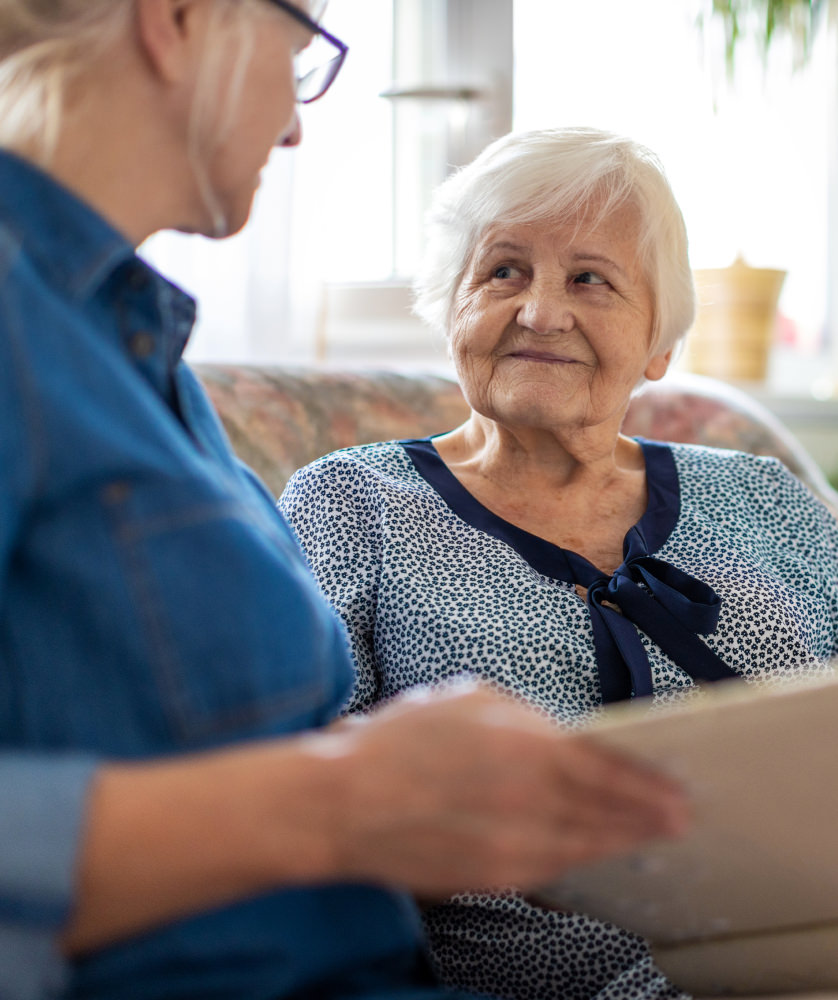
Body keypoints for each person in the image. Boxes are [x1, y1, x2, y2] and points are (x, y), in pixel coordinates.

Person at [0, 5, 692, 1000]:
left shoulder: (135, 349)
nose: (294, 125)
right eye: (301, 59)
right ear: (181, 18)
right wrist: (339, 802)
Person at [279, 126, 838, 1000]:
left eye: (590, 279)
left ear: (658, 344)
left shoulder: (761, 497)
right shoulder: (356, 503)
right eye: (503, 271)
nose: (541, 311)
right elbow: (293, 799)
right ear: (450, 309)